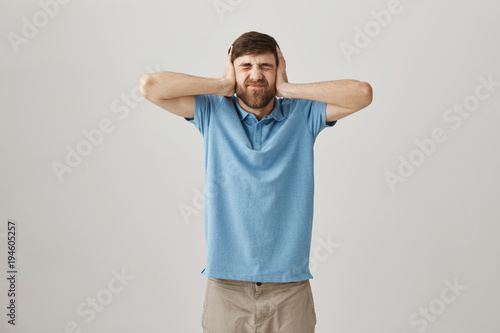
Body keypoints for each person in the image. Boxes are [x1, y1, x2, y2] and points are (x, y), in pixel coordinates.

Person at [140, 31, 372, 333]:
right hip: (226, 287)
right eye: (245, 66)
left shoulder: (303, 114)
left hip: (289, 287)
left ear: (278, 70)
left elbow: (363, 93)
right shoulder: (212, 111)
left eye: (265, 66)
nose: (255, 75)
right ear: (232, 69)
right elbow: (150, 87)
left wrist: (288, 89)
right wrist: (222, 85)